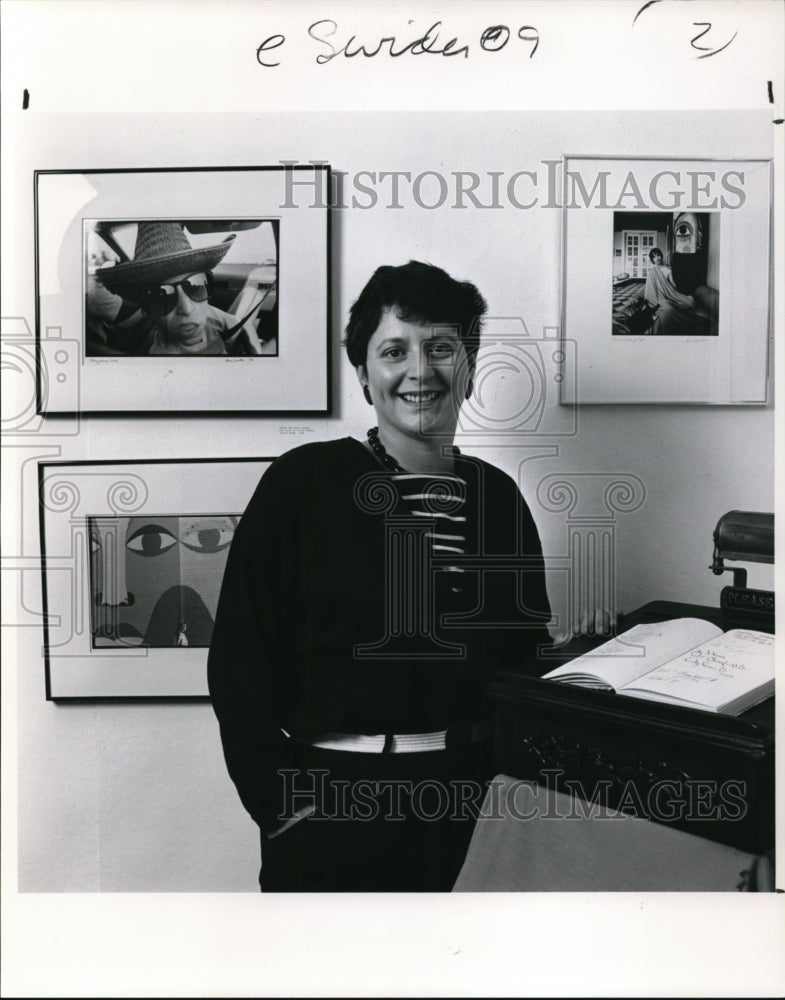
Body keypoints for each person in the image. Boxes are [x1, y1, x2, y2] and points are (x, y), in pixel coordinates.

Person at [208, 261, 553, 892]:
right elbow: (238, 661)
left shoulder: (500, 500)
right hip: (333, 811)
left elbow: (522, 665)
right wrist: (277, 801)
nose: (420, 370)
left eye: (442, 348)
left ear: (469, 368)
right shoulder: (300, 484)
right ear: (365, 376)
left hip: (474, 810)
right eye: (394, 350)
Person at [95, 222, 236, 355]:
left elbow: (232, 320)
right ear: (147, 310)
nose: (187, 309)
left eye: (195, 287)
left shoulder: (212, 316)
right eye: (162, 296)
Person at [643, 246, 712, 336]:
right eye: (654, 256)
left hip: (670, 295)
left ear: (661, 256)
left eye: (658, 255)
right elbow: (649, 289)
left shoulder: (668, 270)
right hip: (658, 298)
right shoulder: (651, 272)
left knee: (690, 301)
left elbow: (673, 285)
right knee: (668, 307)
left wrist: (671, 292)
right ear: (652, 259)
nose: (657, 258)